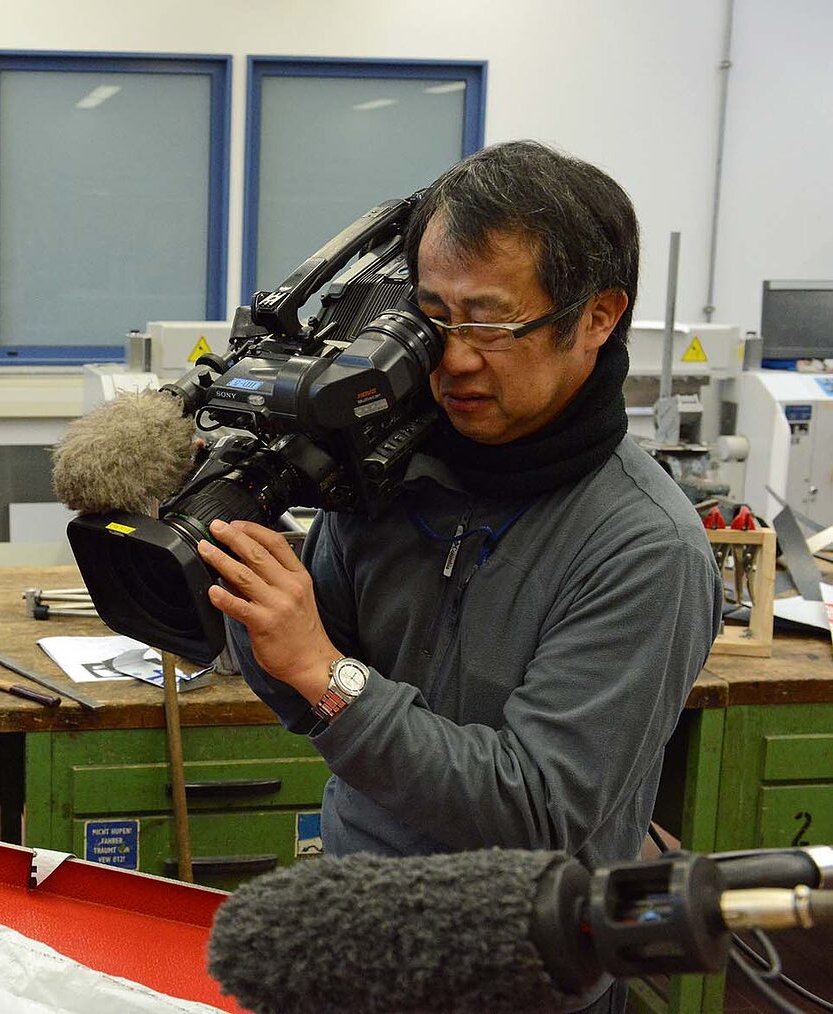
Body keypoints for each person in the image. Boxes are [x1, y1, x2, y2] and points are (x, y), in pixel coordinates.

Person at [201, 140, 721, 1008]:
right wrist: (235, 564)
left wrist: (325, 673)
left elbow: (537, 813)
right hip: (359, 950)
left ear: (597, 318)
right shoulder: (396, 472)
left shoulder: (644, 549)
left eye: (487, 322)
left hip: (518, 980)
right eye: (431, 316)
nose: (453, 358)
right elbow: (302, 688)